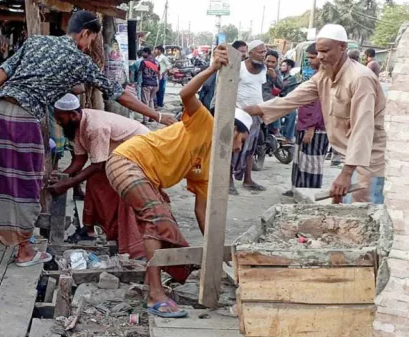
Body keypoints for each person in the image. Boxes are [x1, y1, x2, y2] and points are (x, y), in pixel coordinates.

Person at [0, 11, 175, 267]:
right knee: (27, 183)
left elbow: (4, 72)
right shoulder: (79, 59)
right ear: (85, 33)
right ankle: (24, 251)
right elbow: (118, 94)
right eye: (92, 39)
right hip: (24, 119)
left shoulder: (36, 42)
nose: (91, 45)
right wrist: (158, 116)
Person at [106, 45, 251, 318]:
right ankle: (155, 294)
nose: (237, 149)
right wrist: (211, 69)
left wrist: (215, 248)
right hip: (128, 161)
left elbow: (202, 211)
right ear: (232, 129)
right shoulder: (205, 122)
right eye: (240, 142)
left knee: (165, 223)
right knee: (157, 220)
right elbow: (186, 94)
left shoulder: (211, 164)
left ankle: (154, 283)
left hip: (143, 175)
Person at [244, 24, 386, 204]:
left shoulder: (360, 78)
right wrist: (249, 111)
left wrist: (346, 173)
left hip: (368, 161)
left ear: (342, 47)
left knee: (365, 215)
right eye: (318, 52)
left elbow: (362, 129)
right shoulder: (325, 75)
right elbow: (291, 99)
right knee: (346, 213)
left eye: (325, 51)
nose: (320, 57)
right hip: (348, 157)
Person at [50, 94, 149, 258]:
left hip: (142, 153)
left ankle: (131, 243)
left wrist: (66, 184)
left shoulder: (95, 127)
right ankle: (89, 229)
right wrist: (63, 176)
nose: (58, 123)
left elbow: (97, 165)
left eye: (60, 118)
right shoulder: (77, 124)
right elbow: (80, 159)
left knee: (113, 185)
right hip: (120, 154)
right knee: (94, 181)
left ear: (73, 115)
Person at [284, 42, 330, 197]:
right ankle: (297, 190)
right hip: (304, 125)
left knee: (312, 163)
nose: (310, 61)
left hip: (315, 128)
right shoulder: (315, 75)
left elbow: (321, 104)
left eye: (312, 57)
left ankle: (310, 194)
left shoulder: (325, 77)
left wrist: (311, 128)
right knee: (299, 160)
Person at [228, 40, 267, 194]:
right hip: (239, 115)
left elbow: (258, 89)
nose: (263, 55)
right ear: (250, 53)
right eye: (260, 52)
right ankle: (229, 181)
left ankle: (248, 180)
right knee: (234, 148)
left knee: (251, 149)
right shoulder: (240, 68)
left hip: (256, 115)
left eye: (264, 52)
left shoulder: (263, 69)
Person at [278, 58, 298, 142]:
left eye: (283, 66)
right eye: (281, 65)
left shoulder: (292, 78)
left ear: (289, 67)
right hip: (275, 99)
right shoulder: (278, 75)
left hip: (285, 101)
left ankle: (288, 137)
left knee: (292, 112)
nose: (281, 67)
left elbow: (283, 87)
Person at [138, 47, 161, 122]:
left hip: (146, 84)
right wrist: (158, 84)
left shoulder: (144, 62)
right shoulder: (157, 62)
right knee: (151, 100)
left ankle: (145, 119)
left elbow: (140, 72)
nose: (142, 54)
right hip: (155, 84)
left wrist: (138, 82)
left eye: (143, 52)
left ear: (147, 53)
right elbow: (159, 73)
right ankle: (152, 117)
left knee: (145, 101)